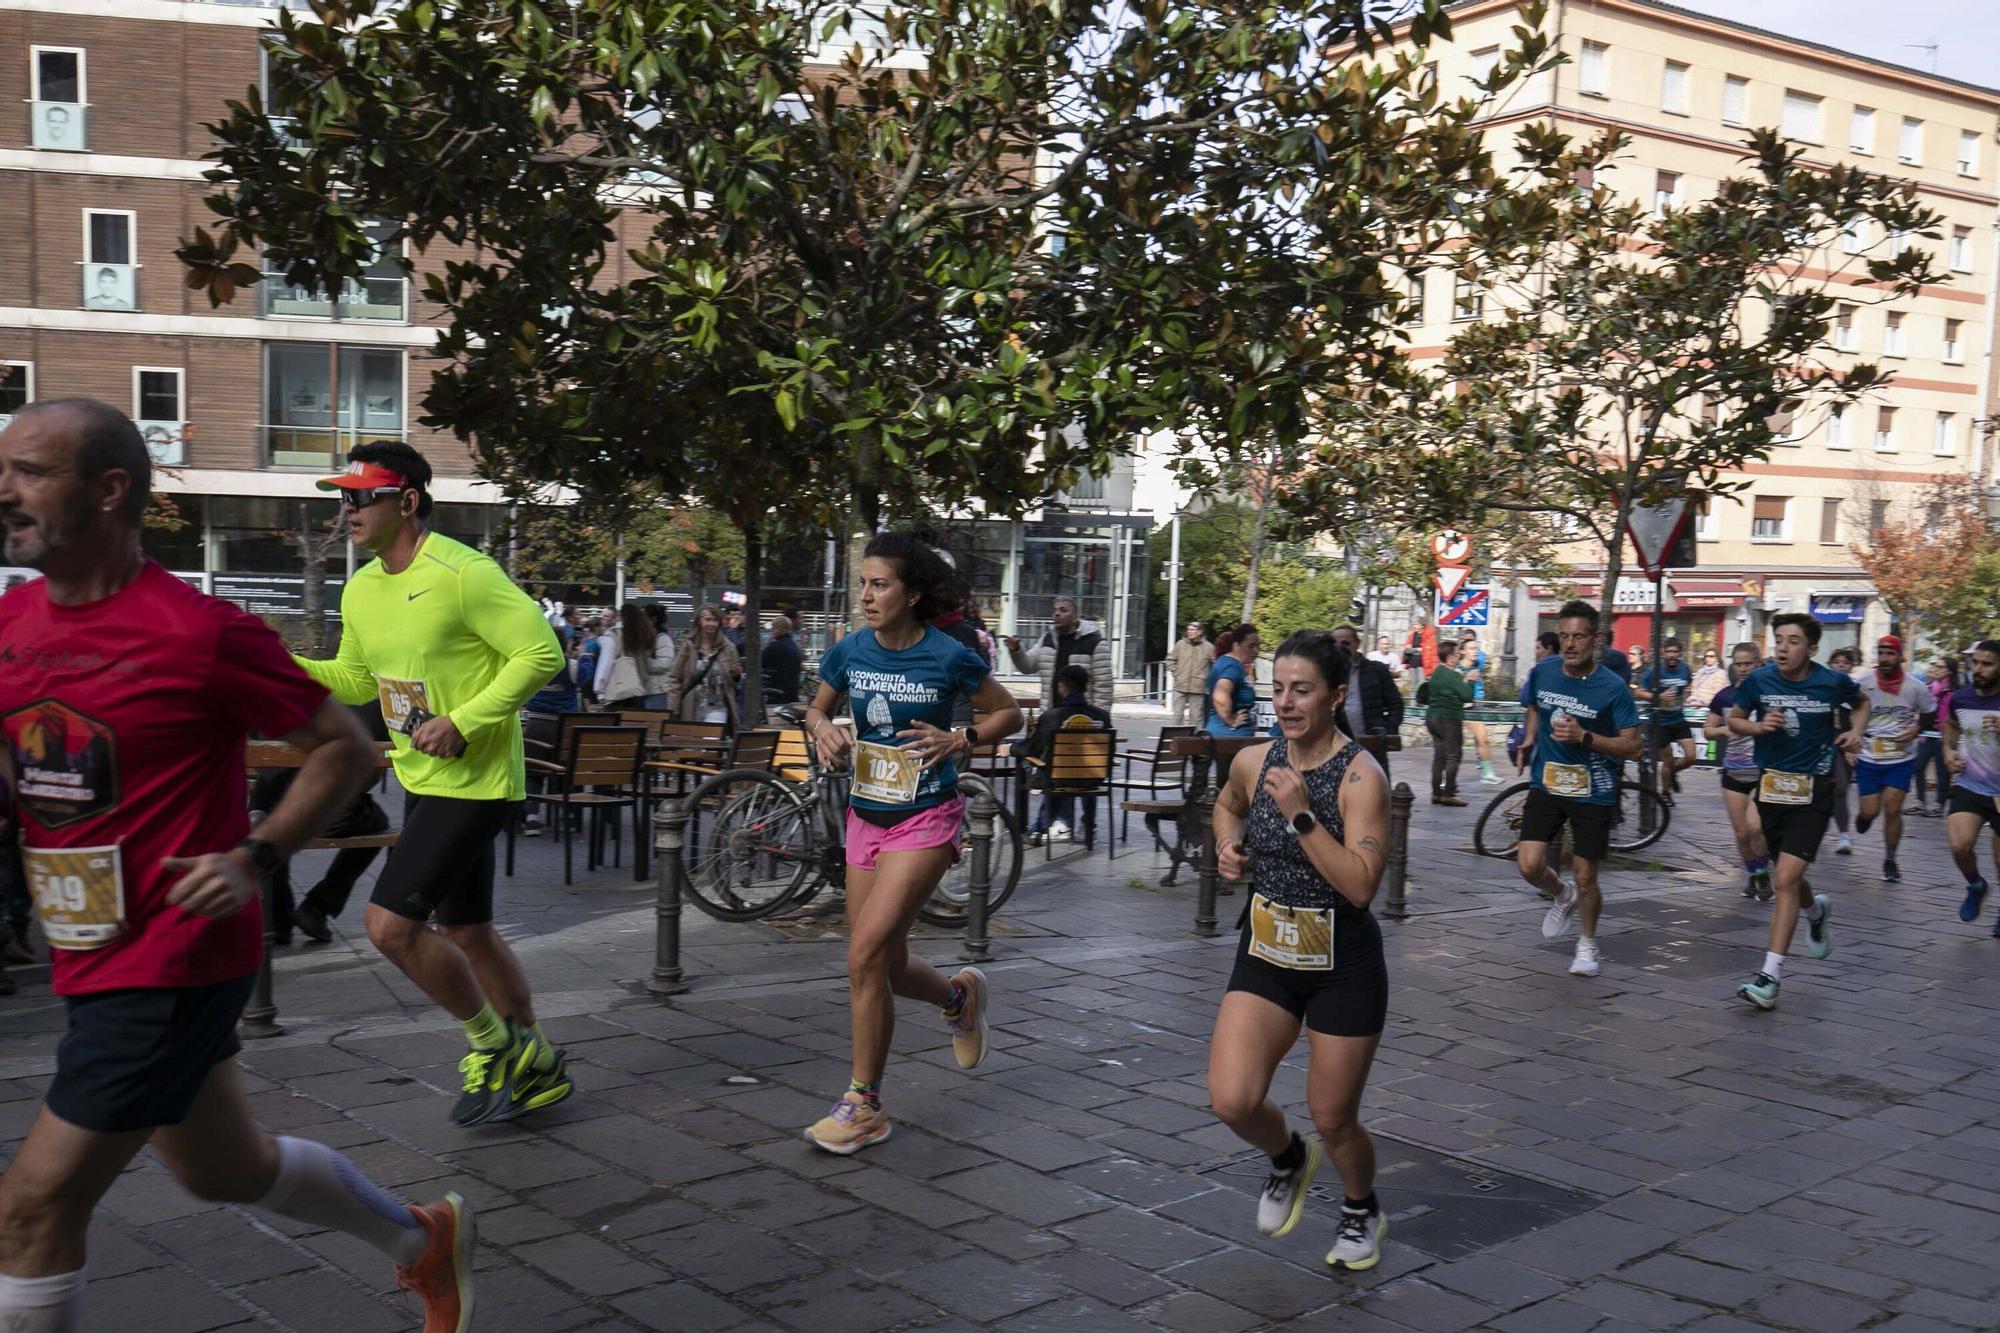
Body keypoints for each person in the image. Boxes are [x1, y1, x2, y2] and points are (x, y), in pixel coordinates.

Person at [0, 400, 474, 1332]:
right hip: (86, 948)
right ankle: (424, 1242)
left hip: (168, 958)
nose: (4, 490)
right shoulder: (13, 617)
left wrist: (257, 855)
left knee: (31, 1209)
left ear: (109, 490)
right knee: (225, 1168)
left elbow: (343, 748)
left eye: (28, 471)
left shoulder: (198, 630)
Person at [293, 443, 575, 1126]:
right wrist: (287, 666)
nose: (348, 509)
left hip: (477, 781)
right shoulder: (361, 586)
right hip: (422, 777)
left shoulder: (462, 572)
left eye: (362, 496)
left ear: (408, 500)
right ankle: (533, 1058)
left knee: (389, 926)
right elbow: (360, 681)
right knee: (470, 929)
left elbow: (542, 652)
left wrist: (465, 719)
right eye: (344, 496)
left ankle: (491, 1041)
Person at [799, 533, 1022, 1153]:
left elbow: (1010, 715)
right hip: (867, 815)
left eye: (880, 585)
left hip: (926, 817)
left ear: (912, 594)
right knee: (885, 964)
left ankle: (863, 1104)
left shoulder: (949, 656)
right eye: (863, 584)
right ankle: (958, 996)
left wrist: (961, 740)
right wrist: (823, 729)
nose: (866, 596)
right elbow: (815, 710)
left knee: (865, 955)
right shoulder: (849, 652)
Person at [1206, 632, 1392, 1272]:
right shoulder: (1254, 762)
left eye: (1302, 690)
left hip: (1342, 961)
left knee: (1334, 1116)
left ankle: (1361, 1205)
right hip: (1267, 946)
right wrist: (1228, 846)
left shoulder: (1362, 777)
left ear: (1336, 696)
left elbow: (1363, 886)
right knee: (1232, 1098)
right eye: (1278, 688)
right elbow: (1226, 807)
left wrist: (1302, 816)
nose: (1285, 703)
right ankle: (1288, 1158)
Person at [1726, 612, 1866, 1011]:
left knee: (1786, 877)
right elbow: (1735, 719)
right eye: (1779, 640)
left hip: (1814, 791)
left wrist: (1855, 731)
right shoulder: (1759, 680)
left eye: (1793, 641)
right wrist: (1758, 727)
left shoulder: (1831, 680)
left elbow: (1862, 703)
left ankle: (1769, 976)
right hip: (1771, 787)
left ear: (1811, 648)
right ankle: (1815, 910)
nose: (1783, 648)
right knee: (1788, 875)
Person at [1514, 601, 1643, 978]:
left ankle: (1587, 944)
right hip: (1548, 781)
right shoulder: (1543, 672)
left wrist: (1585, 737)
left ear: (1595, 640)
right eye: (1565, 636)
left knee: (1587, 875)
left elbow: (1633, 746)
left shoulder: (1613, 688)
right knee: (1529, 865)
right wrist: (1529, 738)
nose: (1570, 645)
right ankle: (1562, 894)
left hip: (1594, 789)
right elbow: (1535, 707)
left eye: (1579, 637)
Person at [1851, 635, 1934, 884]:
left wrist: (1916, 729)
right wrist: (1852, 739)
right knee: (1870, 811)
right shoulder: (1862, 682)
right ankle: (1864, 817)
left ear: (1900, 656)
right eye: (1881, 653)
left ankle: (1890, 859)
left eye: (1890, 654)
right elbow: (1847, 710)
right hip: (1869, 755)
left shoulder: (1915, 686)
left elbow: (1929, 715)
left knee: (1893, 808)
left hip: (1901, 757)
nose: (1885, 659)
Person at [1705, 642, 1773, 901]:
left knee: (1756, 828)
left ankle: (1764, 875)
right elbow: (1708, 729)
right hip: (1733, 772)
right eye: (1739, 664)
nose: (1744, 669)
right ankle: (1754, 874)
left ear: (1758, 663)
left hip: (1761, 771)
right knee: (1742, 833)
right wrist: (1723, 730)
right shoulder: (1724, 696)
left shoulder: (1768, 695)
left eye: (1749, 664)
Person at [1020, 663, 1111, 848]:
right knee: (1083, 772)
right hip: (1093, 778)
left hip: (1058, 779)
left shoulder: (1052, 716)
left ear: (1063, 686)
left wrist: (1013, 749)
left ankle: (1038, 828)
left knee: (1041, 767)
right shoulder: (1101, 716)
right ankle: (1088, 826)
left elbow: (1033, 749)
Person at [1944, 642, 2000, 932]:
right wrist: (1948, 752)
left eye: (1987, 664)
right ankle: (1976, 885)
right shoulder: (1961, 697)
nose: (1978, 669)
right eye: (1975, 662)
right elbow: (1951, 725)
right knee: (1959, 845)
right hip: (1971, 783)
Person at [1005, 595, 1114, 711]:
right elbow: (1028, 666)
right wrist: (1016, 650)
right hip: (1052, 714)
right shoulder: (1047, 639)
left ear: (1075, 617)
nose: (1056, 614)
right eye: (1054, 610)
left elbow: (1104, 688)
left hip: (1082, 718)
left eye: (1063, 610)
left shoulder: (1095, 642)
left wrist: (1099, 719)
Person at [1329, 625, 1405, 776]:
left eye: (1345, 643)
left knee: (1376, 788)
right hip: (1336, 746)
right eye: (1335, 644)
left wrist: (1387, 730)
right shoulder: (1326, 673)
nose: (1340, 648)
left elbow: (1395, 703)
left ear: (1357, 644)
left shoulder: (1376, 671)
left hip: (1372, 744)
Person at [1634, 637, 1697, 793]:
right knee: (1667, 759)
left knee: (1691, 756)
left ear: (1680, 653)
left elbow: (1688, 684)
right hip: (1659, 721)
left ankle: (1673, 772)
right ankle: (1665, 793)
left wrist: (1688, 692)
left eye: (1675, 652)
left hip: (1678, 718)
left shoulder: (1685, 668)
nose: (1671, 655)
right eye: (1668, 652)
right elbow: (1639, 691)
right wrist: (1658, 697)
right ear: (1664, 653)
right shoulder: (1654, 671)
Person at [668, 605, 742, 725]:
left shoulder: (728, 647)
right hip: (692, 705)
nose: (711, 624)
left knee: (711, 741)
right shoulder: (688, 646)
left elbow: (736, 682)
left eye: (715, 620)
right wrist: (673, 708)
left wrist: (736, 676)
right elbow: (675, 677)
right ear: (699, 622)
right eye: (707, 619)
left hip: (717, 706)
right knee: (694, 741)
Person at [594, 600, 673, 712]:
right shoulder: (638, 636)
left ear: (653, 619)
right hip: (639, 689)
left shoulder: (661, 638)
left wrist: (641, 662)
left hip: (655, 691)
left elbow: (665, 663)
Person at [1422, 647, 1473, 806]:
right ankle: (1448, 794)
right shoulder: (1453, 675)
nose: (1459, 655)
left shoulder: (1437, 673)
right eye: (1456, 653)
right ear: (1450, 657)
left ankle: (1436, 793)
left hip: (1432, 717)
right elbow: (1467, 696)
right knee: (1453, 756)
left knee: (1439, 757)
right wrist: (1469, 680)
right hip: (1449, 718)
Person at [1824, 647, 1859, 855]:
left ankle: (1844, 835)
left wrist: (1853, 746)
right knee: (1824, 789)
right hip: (1823, 745)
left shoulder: (1854, 691)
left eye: (1845, 662)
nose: (1840, 665)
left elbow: (1858, 719)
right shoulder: (1822, 687)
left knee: (1841, 789)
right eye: (1836, 662)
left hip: (1844, 747)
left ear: (1851, 666)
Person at [1915, 656, 1961, 816]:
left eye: (1941, 667)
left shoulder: (1954, 691)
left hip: (1944, 736)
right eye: (1936, 666)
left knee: (1942, 772)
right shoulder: (1929, 687)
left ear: (1949, 670)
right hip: (1926, 735)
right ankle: (1920, 802)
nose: (1937, 669)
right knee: (1918, 767)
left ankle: (1938, 805)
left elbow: (1954, 716)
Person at [1457, 637, 1503, 786]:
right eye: (1471, 648)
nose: (1475, 651)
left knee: (1483, 739)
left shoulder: (1476, 667)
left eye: (1476, 648)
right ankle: (1446, 777)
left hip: (1473, 706)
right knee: (1455, 744)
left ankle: (1487, 773)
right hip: (1457, 708)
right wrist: (1465, 679)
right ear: (1463, 651)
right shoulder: (1457, 668)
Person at [1204, 624, 1261, 738]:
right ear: (1236, 645)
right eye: (1251, 646)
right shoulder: (1231, 667)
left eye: (1258, 646)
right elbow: (1220, 696)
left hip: (1230, 737)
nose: (1256, 651)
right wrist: (1231, 720)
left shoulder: (1229, 663)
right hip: (1229, 738)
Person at [1170, 622, 1215, 728]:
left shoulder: (1209, 647)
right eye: (1188, 629)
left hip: (1198, 687)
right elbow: (1170, 660)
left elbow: (1217, 664)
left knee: (1196, 717)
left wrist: (1207, 676)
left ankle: (1195, 741)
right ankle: (1176, 740)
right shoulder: (1180, 644)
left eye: (1192, 629)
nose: (1189, 632)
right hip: (1180, 686)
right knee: (1177, 716)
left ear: (1200, 632)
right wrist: (1176, 674)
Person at [761, 615, 806, 707]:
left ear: (779, 628)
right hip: (792, 692)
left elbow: (759, 662)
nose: (772, 631)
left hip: (777, 694)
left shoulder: (775, 646)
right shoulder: (794, 645)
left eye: (773, 627)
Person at [1687, 647, 1727, 712]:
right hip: (1694, 706)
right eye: (1706, 656)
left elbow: (1717, 695)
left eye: (1711, 656)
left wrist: (1701, 702)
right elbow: (1694, 689)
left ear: (1717, 658)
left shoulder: (1721, 674)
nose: (1707, 658)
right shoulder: (1700, 672)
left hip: (1710, 709)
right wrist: (1693, 700)